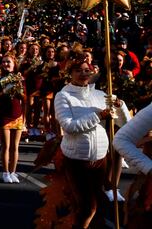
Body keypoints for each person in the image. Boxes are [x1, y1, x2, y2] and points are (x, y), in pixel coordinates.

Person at [55, 54, 131, 228]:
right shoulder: (63, 96)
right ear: (70, 73)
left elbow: (124, 124)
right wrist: (98, 115)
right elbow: (69, 127)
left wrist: (120, 107)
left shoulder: (100, 95)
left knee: (97, 204)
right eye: (78, 70)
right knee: (87, 207)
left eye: (86, 70)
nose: (83, 74)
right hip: (76, 160)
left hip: (100, 158)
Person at [0, 54, 25, 183]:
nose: (6, 64)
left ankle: (13, 172)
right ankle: (5, 172)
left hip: (17, 115)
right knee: (5, 146)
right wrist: (4, 91)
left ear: (14, 63)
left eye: (8, 62)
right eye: (3, 62)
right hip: (3, 115)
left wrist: (18, 89)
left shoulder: (19, 79)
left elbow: (24, 98)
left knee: (15, 146)